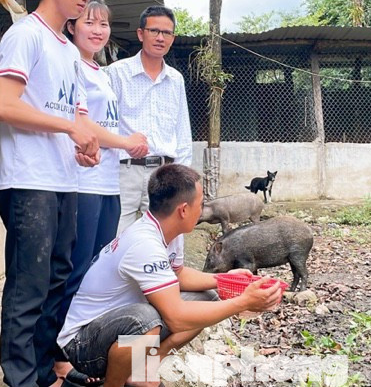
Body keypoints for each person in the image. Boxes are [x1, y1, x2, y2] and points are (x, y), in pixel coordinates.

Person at [0, 0, 103, 387]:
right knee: (28, 288)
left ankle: (41, 374)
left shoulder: (67, 50)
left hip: (64, 180)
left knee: (57, 284)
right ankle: (18, 379)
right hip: (28, 182)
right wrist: (67, 128)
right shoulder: (25, 34)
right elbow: (3, 104)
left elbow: (71, 115)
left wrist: (86, 143)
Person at [56, 164, 282, 387]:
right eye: (200, 204)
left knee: (208, 297)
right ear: (183, 210)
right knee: (144, 320)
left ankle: (144, 368)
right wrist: (243, 302)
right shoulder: (145, 243)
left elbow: (179, 275)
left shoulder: (170, 231)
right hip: (83, 343)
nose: (202, 208)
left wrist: (225, 280)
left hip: (117, 327)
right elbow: (176, 317)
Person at [52, 1, 149, 385]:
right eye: (89, 22)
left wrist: (130, 141)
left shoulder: (101, 73)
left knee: (97, 272)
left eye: (104, 23)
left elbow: (106, 123)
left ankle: (90, 349)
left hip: (109, 183)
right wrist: (127, 142)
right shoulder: (70, 65)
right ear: (72, 26)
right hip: (82, 182)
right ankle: (59, 357)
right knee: (74, 272)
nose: (98, 29)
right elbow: (84, 124)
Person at [107, 6, 193, 234]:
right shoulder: (116, 73)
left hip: (164, 173)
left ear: (172, 38)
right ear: (140, 33)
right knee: (114, 238)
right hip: (123, 171)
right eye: (154, 30)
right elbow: (105, 124)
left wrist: (184, 178)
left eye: (166, 33)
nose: (160, 37)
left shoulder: (176, 80)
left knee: (159, 239)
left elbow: (182, 130)